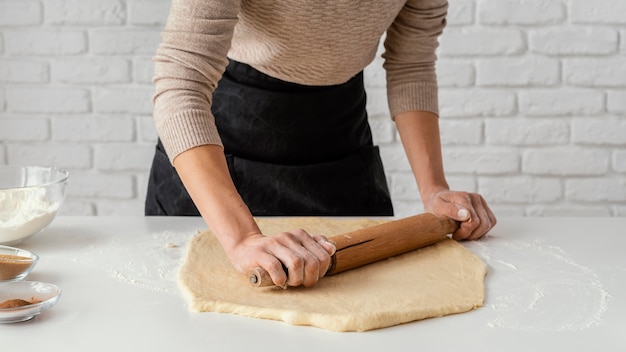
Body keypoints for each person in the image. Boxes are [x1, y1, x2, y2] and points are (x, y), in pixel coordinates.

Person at [145, 0, 496, 288]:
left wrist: (434, 189)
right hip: (221, 142)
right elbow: (182, 81)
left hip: (339, 137)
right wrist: (240, 239)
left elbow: (412, 64)